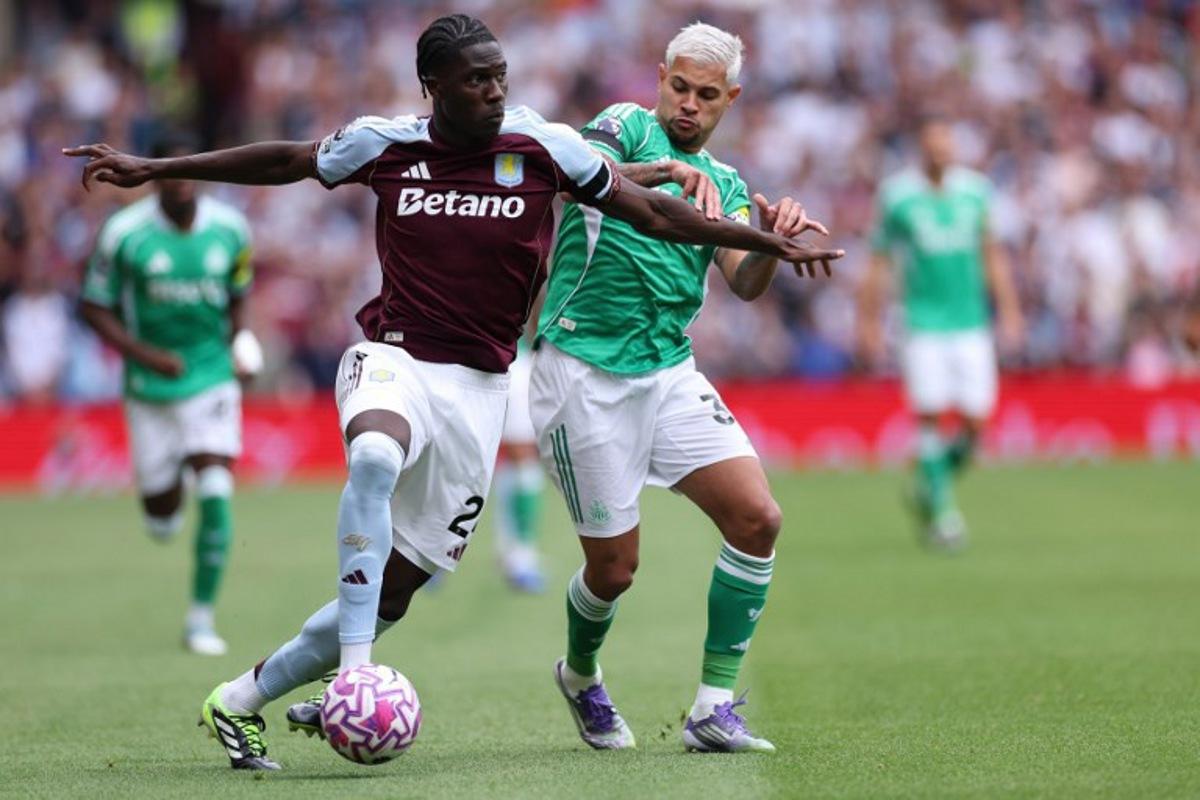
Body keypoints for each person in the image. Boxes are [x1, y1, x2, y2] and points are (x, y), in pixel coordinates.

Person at [66, 14, 842, 770]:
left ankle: (238, 698)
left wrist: (761, 239)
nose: (496, 92)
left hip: (482, 386)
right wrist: (159, 169)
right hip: (397, 358)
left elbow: (651, 212)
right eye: (478, 80)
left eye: (501, 77)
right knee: (372, 453)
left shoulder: (539, 146)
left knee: (396, 590)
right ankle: (360, 673)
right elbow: (289, 160)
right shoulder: (389, 141)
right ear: (433, 87)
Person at [531, 23, 831, 754]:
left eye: (706, 95)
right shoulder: (623, 127)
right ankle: (579, 674)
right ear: (660, 76)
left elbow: (745, 283)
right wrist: (664, 172)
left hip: (668, 374)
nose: (689, 105)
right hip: (582, 371)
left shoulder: (725, 184)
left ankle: (712, 708)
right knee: (616, 570)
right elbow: (578, 179)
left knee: (758, 518)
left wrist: (770, 238)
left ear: (729, 100)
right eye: (679, 87)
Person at [78, 133, 262, 656]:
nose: (182, 180)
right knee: (162, 518)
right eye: (171, 171)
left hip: (210, 377)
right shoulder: (124, 234)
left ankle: (200, 619)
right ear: (156, 174)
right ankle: (165, 495)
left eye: (189, 170)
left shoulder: (231, 229)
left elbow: (239, 292)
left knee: (216, 488)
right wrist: (143, 354)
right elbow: (93, 305)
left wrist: (242, 341)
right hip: (150, 386)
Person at [857, 115, 1023, 549]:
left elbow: (992, 255)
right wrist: (870, 321)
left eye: (945, 145)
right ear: (921, 149)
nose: (939, 152)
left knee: (975, 419)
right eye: (932, 145)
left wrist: (1008, 309)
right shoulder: (897, 196)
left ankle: (929, 483)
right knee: (929, 414)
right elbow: (879, 263)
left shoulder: (976, 192)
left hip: (971, 321)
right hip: (922, 322)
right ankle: (944, 515)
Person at [493, 335, 547, 593]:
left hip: (498, 355)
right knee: (524, 462)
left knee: (515, 464)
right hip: (511, 358)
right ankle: (521, 558)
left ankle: (511, 553)